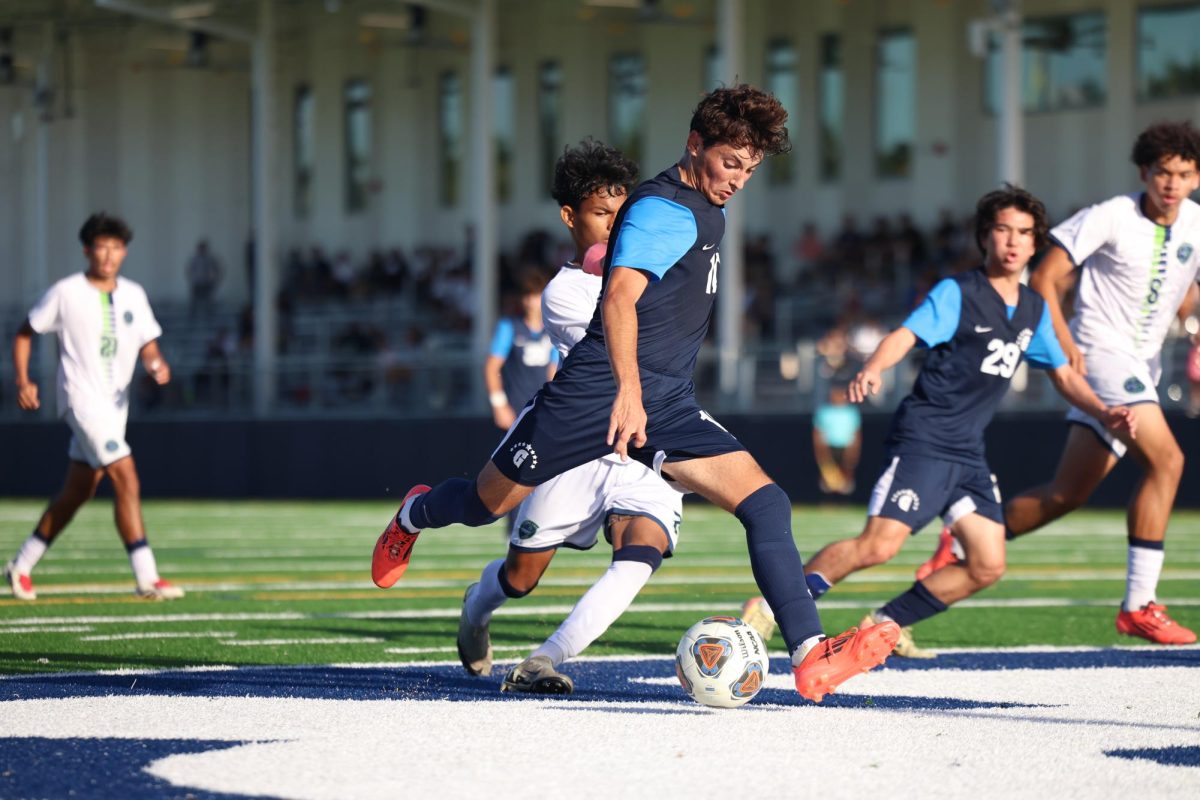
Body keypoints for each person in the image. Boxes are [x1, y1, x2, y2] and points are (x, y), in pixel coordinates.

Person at [372, 85, 900, 704]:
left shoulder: (709, 208)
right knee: (484, 505)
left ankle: (811, 657)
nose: (738, 180)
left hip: (668, 399)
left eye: (750, 170)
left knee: (766, 503)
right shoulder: (661, 210)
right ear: (695, 144)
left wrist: (646, 393)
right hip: (592, 394)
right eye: (730, 163)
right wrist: (626, 392)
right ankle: (413, 514)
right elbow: (619, 297)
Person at [743, 186, 1135, 657]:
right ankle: (769, 608)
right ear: (984, 237)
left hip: (968, 452)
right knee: (877, 547)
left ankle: (886, 625)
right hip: (925, 440)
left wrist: (1103, 410)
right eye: (1003, 230)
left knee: (987, 564)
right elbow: (905, 335)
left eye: (1025, 233)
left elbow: (1065, 377)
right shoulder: (959, 293)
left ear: (1036, 244)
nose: (1013, 241)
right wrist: (872, 369)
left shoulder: (1033, 309)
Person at [917, 122, 1200, 645]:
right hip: (1101, 356)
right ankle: (1139, 604)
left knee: (1066, 494)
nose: (1171, 183)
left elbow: (1184, 292)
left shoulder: (1196, 225)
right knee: (1170, 461)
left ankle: (958, 546)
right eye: (1162, 172)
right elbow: (1045, 276)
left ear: (1196, 176)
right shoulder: (1113, 215)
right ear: (1144, 171)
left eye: (1183, 174)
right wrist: (1062, 338)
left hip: (1144, 367)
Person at [455, 139, 690, 695]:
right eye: (601, 214)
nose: (614, 226)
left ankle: (545, 657)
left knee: (643, 548)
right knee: (520, 578)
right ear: (569, 216)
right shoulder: (565, 293)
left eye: (622, 213)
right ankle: (476, 606)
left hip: (642, 442)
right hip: (577, 445)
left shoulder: (644, 274)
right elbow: (627, 333)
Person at [4, 213, 184, 601]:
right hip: (81, 401)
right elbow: (24, 332)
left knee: (77, 492)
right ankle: (147, 576)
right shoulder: (66, 292)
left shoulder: (134, 293)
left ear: (124, 252)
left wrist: (156, 363)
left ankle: (21, 565)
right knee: (126, 474)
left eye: (116, 247)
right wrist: (23, 380)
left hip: (115, 409)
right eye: (102, 246)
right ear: (87, 249)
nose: (109, 254)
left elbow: (148, 343)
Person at [484, 268, 559, 432]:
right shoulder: (508, 327)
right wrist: (499, 405)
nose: (532, 301)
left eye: (536, 295)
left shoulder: (552, 330)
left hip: (544, 410)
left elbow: (553, 373)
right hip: (514, 410)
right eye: (528, 295)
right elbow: (491, 368)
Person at [813, 381, 862, 496]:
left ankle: (844, 500)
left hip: (846, 447)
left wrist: (854, 450)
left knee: (846, 476)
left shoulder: (852, 412)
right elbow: (818, 432)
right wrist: (820, 449)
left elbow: (856, 433)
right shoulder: (823, 411)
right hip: (828, 447)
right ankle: (827, 501)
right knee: (828, 475)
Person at [185, 239, 222, 317]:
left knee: (209, 302)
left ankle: (210, 316)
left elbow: (217, 270)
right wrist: (193, 279)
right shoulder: (194, 259)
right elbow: (189, 270)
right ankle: (192, 317)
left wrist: (214, 280)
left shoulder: (210, 259)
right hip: (197, 284)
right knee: (194, 303)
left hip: (207, 283)